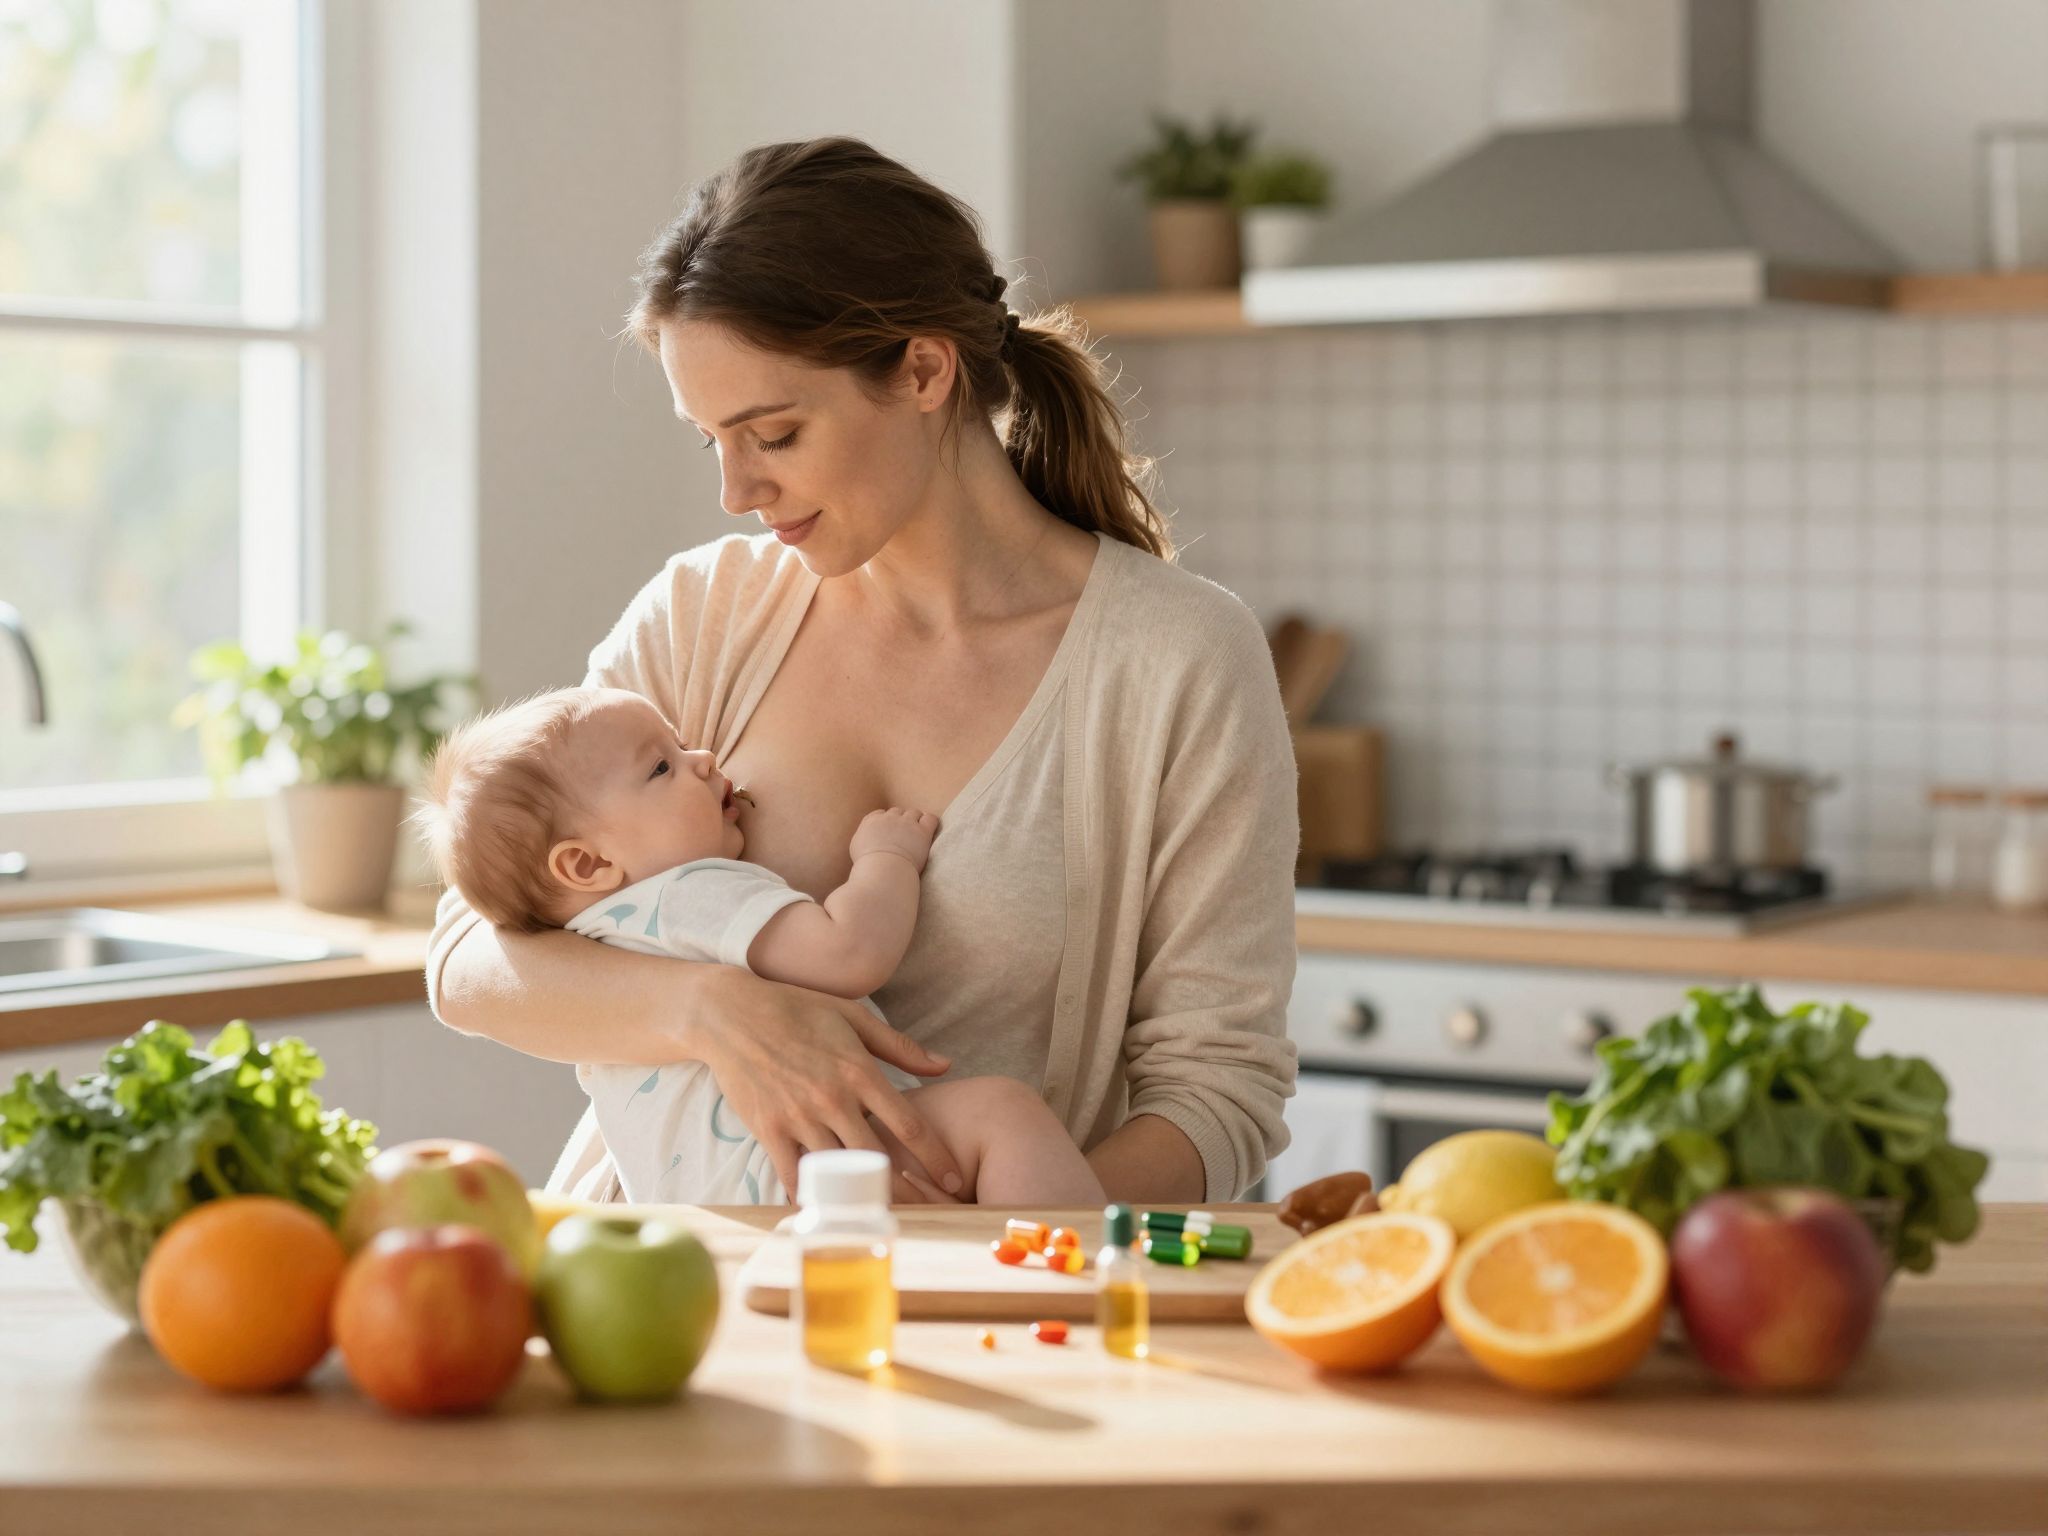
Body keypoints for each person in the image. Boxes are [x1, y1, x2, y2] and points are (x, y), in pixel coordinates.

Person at [427, 135, 1299, 1207]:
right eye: (711, 441)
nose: (736, 491)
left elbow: (1218, 1092)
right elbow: (469, 961)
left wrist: (988, 1248)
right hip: (657, 1275)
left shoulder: (1175, 659)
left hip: (975, 1294)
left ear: (924, 371)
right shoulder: (705, 614)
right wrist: (716, 1013)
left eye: (774, 434)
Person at [414, 684, 1106, 1206]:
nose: (703, 758)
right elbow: (850, 954)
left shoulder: (586, 947)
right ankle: (1068, 1297)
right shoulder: (688, 893)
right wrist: (887, 859)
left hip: (694, 1207)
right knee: (1003, 1116)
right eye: (661, 768)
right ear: (588, 864)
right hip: (794, 1169)